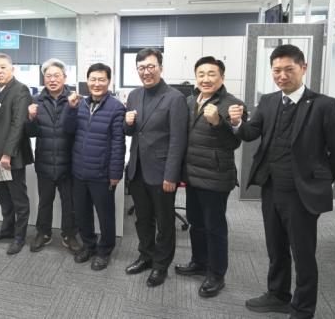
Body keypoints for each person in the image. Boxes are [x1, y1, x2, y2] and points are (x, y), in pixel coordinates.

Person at [229, 44, 335, 319]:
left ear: (303, 68)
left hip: (301, 193)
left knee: (303, 253)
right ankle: (278, 295)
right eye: (276, 70)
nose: (282, 76)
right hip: (271, 187)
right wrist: (237, 123)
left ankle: (303, 308)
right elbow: (250, 133)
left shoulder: (323, 105)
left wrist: (321, 180)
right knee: (275, 247)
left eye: (288, 69)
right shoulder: (269, 101)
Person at [174, 56, 246, 298]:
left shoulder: (232, 104)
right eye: (201, 74)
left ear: (222, 78)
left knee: (214, 227)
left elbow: (233, 143)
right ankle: (199, 261)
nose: (206, 79)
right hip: (192, 174)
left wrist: (218, 122)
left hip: (215, 177)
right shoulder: (189, 101)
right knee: (196, 222)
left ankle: (216, 274)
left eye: (211, 74)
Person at [123, 48, 188, 286]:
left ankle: (161, 265)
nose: (146, 72)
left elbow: (178, 141)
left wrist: (171, 175)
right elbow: (131, 131)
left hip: (162, 172)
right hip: (137, 169)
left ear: (161, 67)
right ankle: (146, 256)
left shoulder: (174, 98)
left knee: (164, 222)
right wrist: (127, 123)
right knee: (142, 219)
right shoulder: (134, 95)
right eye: (141, 68)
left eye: (151, 66)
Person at [63, 63, 125, 271]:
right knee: (82, 213)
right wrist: (70, 109)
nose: (97, 84)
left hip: (101, 173)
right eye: (93, 79)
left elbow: (118, 144)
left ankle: (104, 250)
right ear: (87, 81)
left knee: (105, 214)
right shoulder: (79, 104)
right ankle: (89, 245)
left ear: (109, 82)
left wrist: (115, 173)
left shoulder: (116, 108)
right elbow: (68, 129)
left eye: (101, 79)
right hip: (79, 170)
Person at [24, 58, 81, 253]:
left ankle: (69, 234)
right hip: (45, 161)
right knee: (45, 201)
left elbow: (76, 129)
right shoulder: (36, 101)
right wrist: (30, 118)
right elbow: (31, 133)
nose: (53, 79)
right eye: (48, 76)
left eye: (57, 75)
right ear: (44, 79)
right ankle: (43, 233)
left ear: (65, 77)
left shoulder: (75, 100)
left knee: (70, 203)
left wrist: (72, 109)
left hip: (69, 162)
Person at [0, 53, 34, 255]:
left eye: (3, 67)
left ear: (12, 69)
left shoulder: (21, 90)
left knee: (18, 198)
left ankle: (19, 236)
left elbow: (18, 124)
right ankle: (7, 229)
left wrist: (7, 154)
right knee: (2, 195)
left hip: (11, 155)